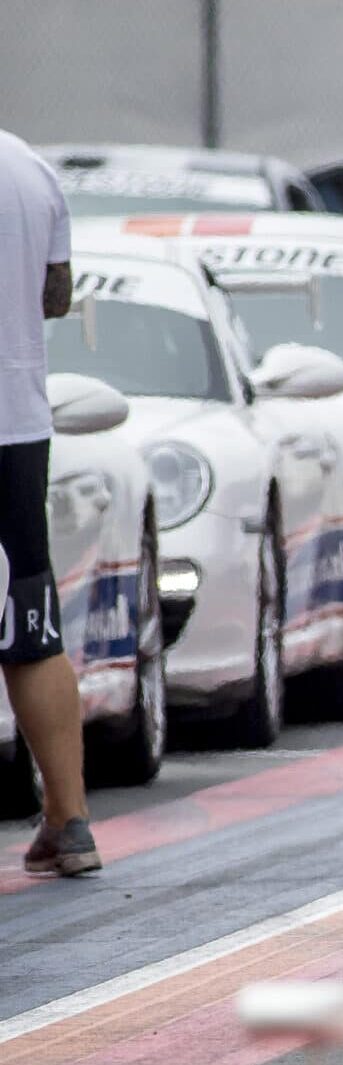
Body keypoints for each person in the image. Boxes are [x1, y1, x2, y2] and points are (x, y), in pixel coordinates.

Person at [0, 129, 94, 876]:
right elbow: (57, 295)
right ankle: (69, 820)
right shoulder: (25, 162)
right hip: (16, 426)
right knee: (30, 620)